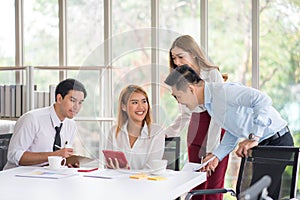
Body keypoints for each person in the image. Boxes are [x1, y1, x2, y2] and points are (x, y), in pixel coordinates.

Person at [164, 65, 294, 199]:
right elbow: (234, 131)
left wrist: (254, 137)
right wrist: (217, 156)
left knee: (257, 196)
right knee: (257, 196)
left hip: (277, 142)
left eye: (177, 96)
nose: (179, 102)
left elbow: (262, 100)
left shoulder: (222, 92)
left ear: (190, 89)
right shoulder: (211, 105)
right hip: (265, 146)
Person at [165, 35, 229, 200]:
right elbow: (185, 113)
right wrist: (167, 134)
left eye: (180, 57)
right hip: (196, 127)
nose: (177, 62)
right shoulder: (181, 76)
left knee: (214, 183)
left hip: (216, 126)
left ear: (193, 53)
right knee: (195, 182)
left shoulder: (212, 74)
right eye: (174, 58)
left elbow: (218, 116)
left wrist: (212, 151)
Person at [4, 78, 87, 170]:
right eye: (72, 100)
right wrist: (53, 155)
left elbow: (60, 158)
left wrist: (68, 163)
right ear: (59, 98)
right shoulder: (32, 119)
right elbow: (14, 155)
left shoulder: (71, 125)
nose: (76, 107)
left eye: (80, 103)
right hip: (18, 177)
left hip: (48, 176)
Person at [105, 85, 165, 170]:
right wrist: (111, 167)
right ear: (123, 106)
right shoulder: (114, 132)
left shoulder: (157, 132)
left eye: (144, 101)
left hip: (145, 182)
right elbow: (108, 165)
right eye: (134, 102)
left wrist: (126, 173)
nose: (141, 107)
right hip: (118, 182)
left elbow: (150, 169)